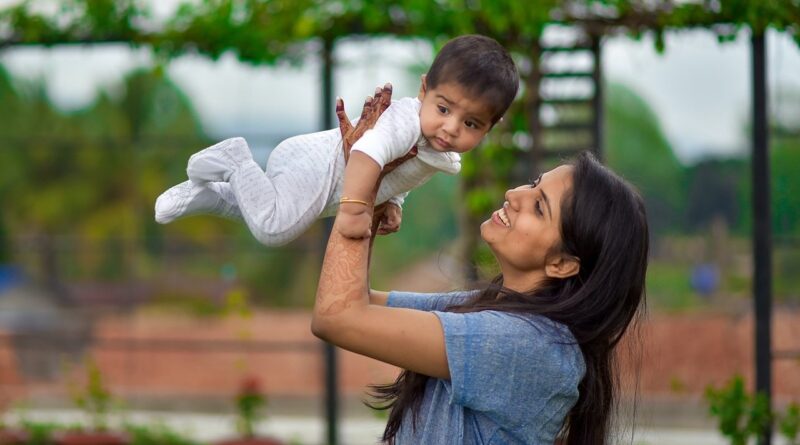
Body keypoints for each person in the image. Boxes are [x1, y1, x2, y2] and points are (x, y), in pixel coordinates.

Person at [312, 88, 649, 444]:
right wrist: (379, 188)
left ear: (563, 263)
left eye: (539, 207)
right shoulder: (494, 314)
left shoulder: (530, 345)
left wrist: (362, 184)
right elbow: (352, 301)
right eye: (534, 183)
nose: (515, 195)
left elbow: (337, 316)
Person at [153, 34, 519, 246]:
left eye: (470, 122)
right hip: (319, 166)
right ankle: (235, 159)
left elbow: (400, 172)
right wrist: (356, 210)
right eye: (443, 108)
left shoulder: (434, 146)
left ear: (491, 126)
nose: (451, 127)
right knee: (273, 229)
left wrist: (395, 202)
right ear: (425, 89)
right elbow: (370, 151)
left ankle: (208, 196)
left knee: (262, 212)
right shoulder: (407, 121)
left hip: (329, 177)